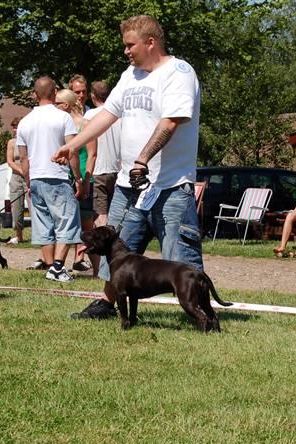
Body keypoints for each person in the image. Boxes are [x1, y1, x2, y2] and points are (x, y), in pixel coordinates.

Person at [53, 14, 203, 319]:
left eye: (129, 45)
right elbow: (107, 114)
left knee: (180, 258)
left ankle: (201, 311)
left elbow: (172, 120)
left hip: (171, 186)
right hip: (128, 186)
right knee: (115, 252)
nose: (125, 51)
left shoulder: (179, 72)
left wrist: (142, 158)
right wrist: (74, 144)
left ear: (151, 42)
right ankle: (107, 303)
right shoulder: (130, 75)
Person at [17, 77, 83, 283]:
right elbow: (71, 151)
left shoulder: (24, 122)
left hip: (36, 177)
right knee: (67, 222)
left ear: (35, 95)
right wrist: (78, 178)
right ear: (55, 92)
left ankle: (50, 265)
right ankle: (57, 267)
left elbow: (24, 159)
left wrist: (28, 181)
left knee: (44, 224)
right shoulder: (63, 118)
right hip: (58, 175)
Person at [55, 88, 98, 274]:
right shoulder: (58, 125)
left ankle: (98, 271)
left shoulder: (85, 125)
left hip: (82, 178)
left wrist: (87, 179)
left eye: (56, 103)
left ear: (66, 104)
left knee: (87, 228)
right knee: (63, 224)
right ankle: (58, 267)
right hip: (63, 180)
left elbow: (92, 155)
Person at [84, 80, 121, 228]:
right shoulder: (119, 115)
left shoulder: (90, 115)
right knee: (116, 213)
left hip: (99, 170)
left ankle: (104, 247)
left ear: (93, 96)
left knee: (101, 216)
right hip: (118, 170)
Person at [5, 117, 28, 245]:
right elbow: (10, 161)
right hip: (16, 177)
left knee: (33, 205)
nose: (14, 129)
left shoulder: (29, 140)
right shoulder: (11, 142)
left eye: (17, 126)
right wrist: (21, 171)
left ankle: (39, 236)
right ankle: (19, 236)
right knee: (16, 207)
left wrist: (27, 173)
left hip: (29, 176)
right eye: (13, 127)